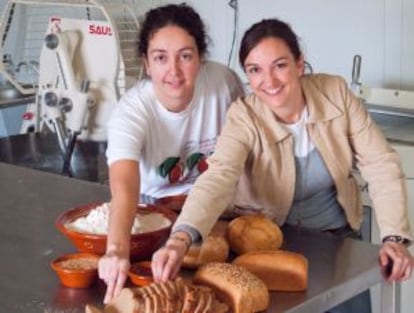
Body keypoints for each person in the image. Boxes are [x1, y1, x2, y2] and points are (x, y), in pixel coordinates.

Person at [151, 18, 414, 313]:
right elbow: (219, 176)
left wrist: (394, 237)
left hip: (338, 244)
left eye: (279, 65)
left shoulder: (335, 94)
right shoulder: (244, 116)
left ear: (299, 64)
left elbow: (381, 163)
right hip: (267, 247)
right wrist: (180, 238)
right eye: (255, 70)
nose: (270, 81)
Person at [98, 3, 244, 304]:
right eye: (160, 58)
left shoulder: (223, 84)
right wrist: (116, 249)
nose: (173, 71)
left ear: (201, 58)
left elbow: (245, 145)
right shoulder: (131, 112)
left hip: (216, 211)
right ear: (147, 63)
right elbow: (124, 186)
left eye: (185, 56)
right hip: (155, 220)